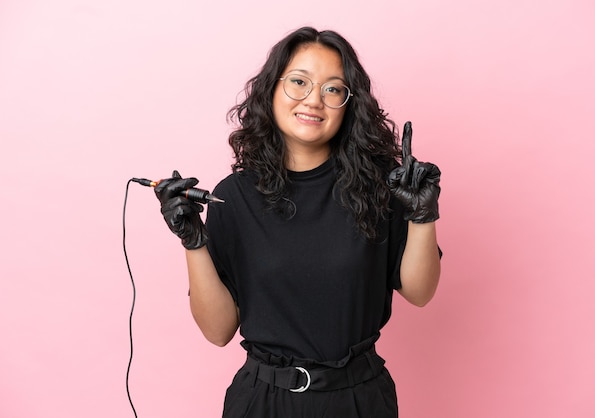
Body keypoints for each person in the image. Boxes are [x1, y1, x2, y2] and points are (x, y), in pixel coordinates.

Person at [154, 26, 442, 418]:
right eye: (299, 82)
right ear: (272, 89)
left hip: (359, 399)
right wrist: (194, 242)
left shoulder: (381, 185)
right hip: (263, 401)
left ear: (348, 103)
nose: (313, 100)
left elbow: (420, 292)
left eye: (332, 89)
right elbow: (218, 331)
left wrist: (423, 215)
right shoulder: (233, 196)